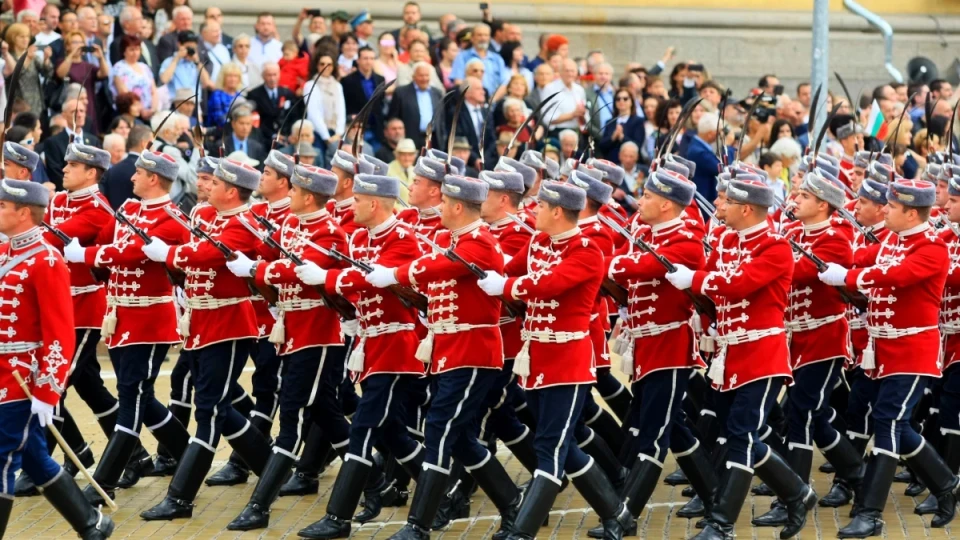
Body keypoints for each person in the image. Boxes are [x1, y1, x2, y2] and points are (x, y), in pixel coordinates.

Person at [476, 179, 632, 538]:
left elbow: (550, 284)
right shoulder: (539, 241)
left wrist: (507, 287)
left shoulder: (587, 250)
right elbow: (507, 267)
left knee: (550, 446)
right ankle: (617, 513)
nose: (535, 211)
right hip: (537, 360)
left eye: (542, 207)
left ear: (558, 212)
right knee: (563, 445)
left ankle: (523, 530)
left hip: (568, 362)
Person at [665, 175, 817, 540]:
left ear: (746, 208)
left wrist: (695, 280)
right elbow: (713, 280)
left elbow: (739, 283)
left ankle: (722, 524)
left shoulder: (776, 247)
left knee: (743, 434)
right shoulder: (728, 240)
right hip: (728, 354)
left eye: (727, 201)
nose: (719, 205)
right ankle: (797, 492)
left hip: (762, 355)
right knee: (740, 435)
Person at [817, 178, 957, 537]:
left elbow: (896, 274)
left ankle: (871, 513)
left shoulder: (932, 247)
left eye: (892, 207)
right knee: (897, 426)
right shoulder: (893, 240)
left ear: (911, 213)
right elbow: (859, 256)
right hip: (882, 351)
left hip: (912, 351)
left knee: (888, 424)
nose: (885, 211)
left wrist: (849, 276)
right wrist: (819, 250)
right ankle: (946, 484)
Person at [138, 158, 274, 521]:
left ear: (231, 191)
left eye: (215, 183)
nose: (206, 186)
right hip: (199, 322)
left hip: (229, 324)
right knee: (220, 408)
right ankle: (271, 470)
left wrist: (168, 253)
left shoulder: (244, 223)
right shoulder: (204, 214)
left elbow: (210, 254)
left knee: (209, 412)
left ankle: (180, 497)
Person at [56, 146, 192, 505]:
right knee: (142, 397)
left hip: (149, 321)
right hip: (120, 319)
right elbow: (108, 243)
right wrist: (92, 256)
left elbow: (129, 253)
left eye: (139, 173)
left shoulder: (172, 219)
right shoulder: (130, 210)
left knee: (131, 401)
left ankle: (104, 482)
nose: (131, 177)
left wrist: (86, 255)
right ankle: (189, 455)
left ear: (154, 179)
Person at [0, 177, 116, 540]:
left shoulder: (46, 260)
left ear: (23, 213)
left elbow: (60, 333)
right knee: (34, 457)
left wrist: (48, 391)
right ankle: (92, 524)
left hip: (21, 379)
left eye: (2, 206)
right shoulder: (5, 253)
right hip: (3, 374)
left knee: (3, 458)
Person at [36, 98, 101, 191]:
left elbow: (100, 170)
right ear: (64, 115)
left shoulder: (93, 140)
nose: (79, 115)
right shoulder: (53, 142)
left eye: (82, 111)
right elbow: (56, 175)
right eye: (74, 111)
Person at [387, 62, 442, 150]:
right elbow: (393, 117)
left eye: (427, 75)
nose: (424, 78)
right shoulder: (401, 93)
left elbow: (442, 118)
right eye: (421, 75)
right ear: (413, 76)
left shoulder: (437, 93)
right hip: (410, 139)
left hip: (434, 139)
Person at [304, 53, 347, 163]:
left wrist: (339, 133)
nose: (325, 67)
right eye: (322, 64)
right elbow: (313, 113)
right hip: (317, 133)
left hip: (335, 133)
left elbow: (341, 110)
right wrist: (326, 137)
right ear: (317, 66)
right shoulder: (310, 85)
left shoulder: (338, 85)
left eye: (329, 64)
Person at [101, 125, 153, 209]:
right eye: (152, 143)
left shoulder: (112, 170)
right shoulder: (148, 171)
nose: (154, 147)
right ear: (144, 144)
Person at [450, 23, 509, 96]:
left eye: (486, 35)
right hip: (471, 99)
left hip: (494, 100)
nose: (483, 38)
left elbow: (504, 84)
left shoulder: (497, 59)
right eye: (479, 35)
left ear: (489, 38)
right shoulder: (462, 57)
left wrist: (492, 100)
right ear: (472, 38)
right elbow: (458, 82)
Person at [111, 34, 158, 120]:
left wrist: (153, 109)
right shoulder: (119, 68)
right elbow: (124, 93)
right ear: (124, 51)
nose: (135, 53)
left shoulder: (145, 67)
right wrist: (141, 110)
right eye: (131, 50)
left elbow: (153, 91)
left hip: (149, 112)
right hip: (129, 113)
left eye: (137, 49)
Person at [247, 62, 296, 145]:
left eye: (275, 74)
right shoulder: (254, 95)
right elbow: (255, 121)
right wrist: (273, 135)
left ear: (279, 75)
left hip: (286, 136)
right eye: (269, 75)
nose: (272, 78)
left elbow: (293, 115)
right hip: (264, 139)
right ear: (263, 76)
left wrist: (289, 135)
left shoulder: (287, 93)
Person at [599, 87, 645, 164]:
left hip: (630, 164)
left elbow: (637, 145)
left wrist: (622, 137)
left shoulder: (638, 121)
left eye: (625, 99)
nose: (621, 101)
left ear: (631, 102)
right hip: (611, 163)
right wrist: (613, 137)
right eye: (618, 99)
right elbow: (602, 146)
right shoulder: (610, 122)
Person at [206, 62, 244, 128]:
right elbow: (219, 120)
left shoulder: (239, 95)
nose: (233, 79)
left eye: (235, 76)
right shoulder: (217, 95)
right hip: (219, 131)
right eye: (229, 76)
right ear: (223, 78)